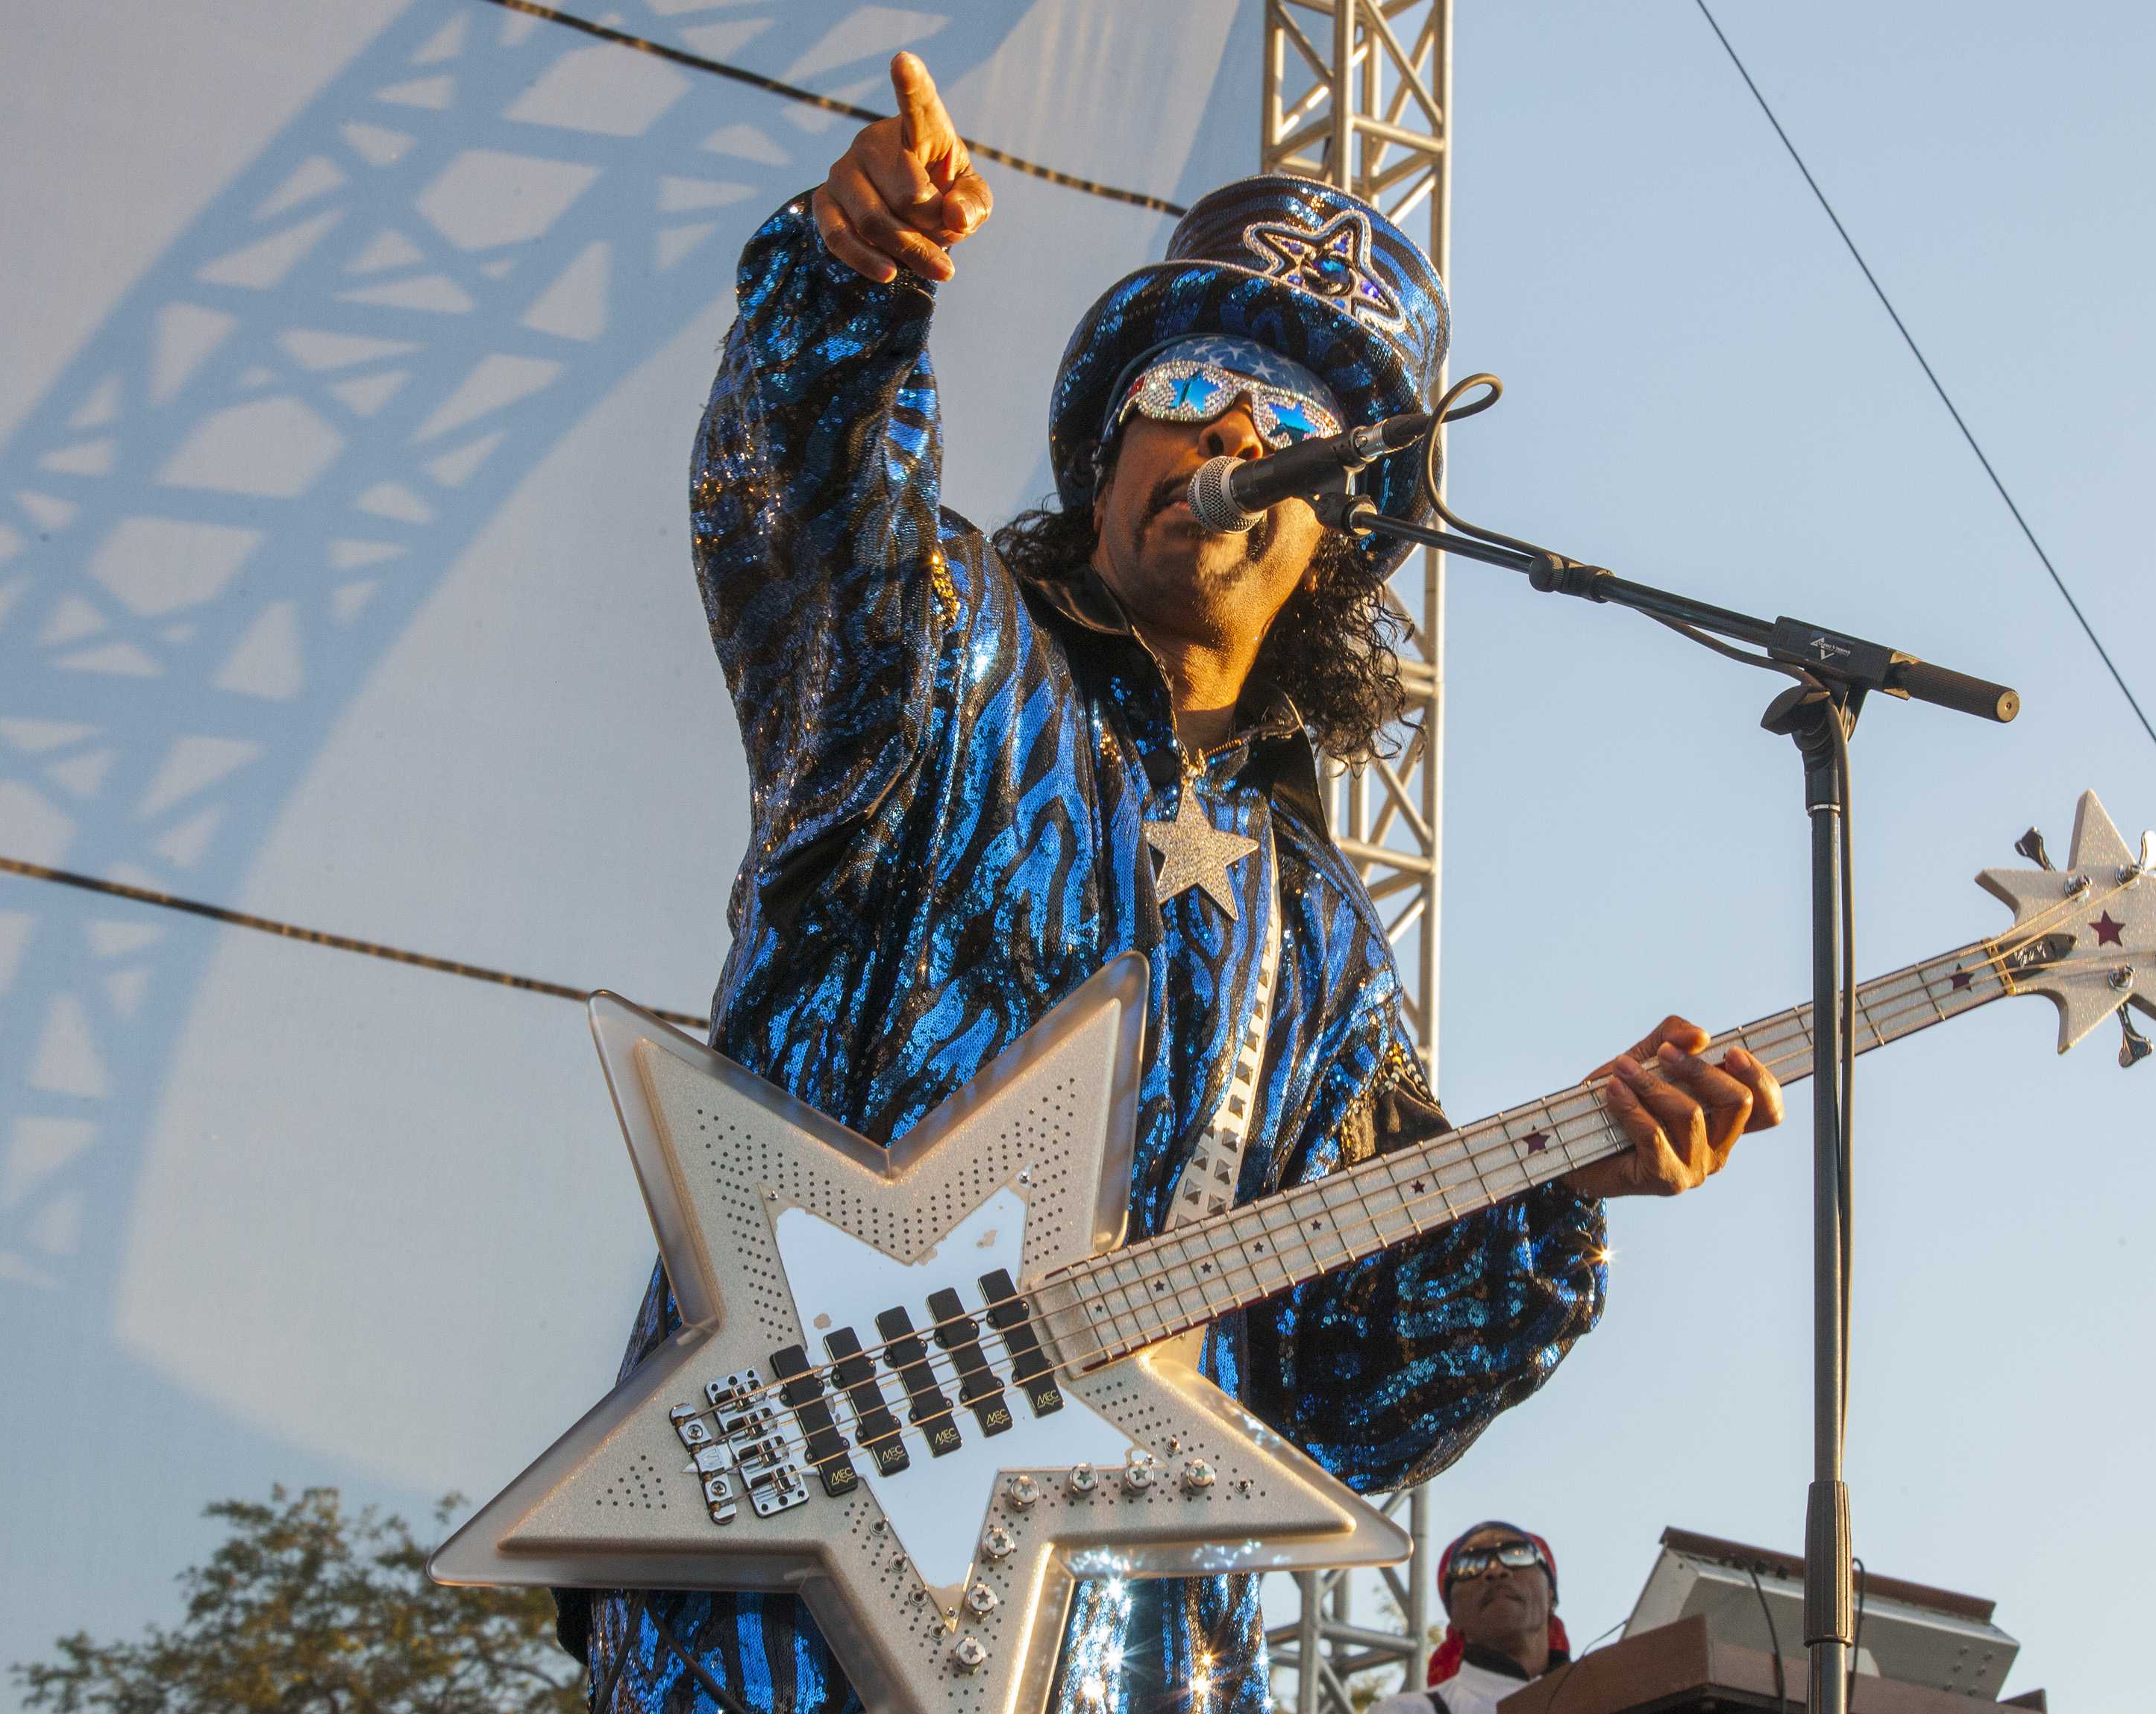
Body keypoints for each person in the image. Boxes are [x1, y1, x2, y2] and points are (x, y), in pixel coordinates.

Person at [562, 51, 1783, 1714]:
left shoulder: (1328, 934)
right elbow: (804, 521)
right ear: (1108, 436)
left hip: (1125, 1642)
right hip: (785, 1577)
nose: (1225, 424)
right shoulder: (944, 665)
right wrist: (846, 293)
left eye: (1288, 417)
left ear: (1339, 519)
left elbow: (1331, 1381)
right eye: (1190, 377)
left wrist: (1563, 1196)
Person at [1368, 1523, 1573, 1714]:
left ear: (1551, 1593)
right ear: (1453, 1615)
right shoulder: (1409, 1710)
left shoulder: (1600, 1689)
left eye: (1518, 1553)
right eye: (1470, 1565)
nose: (1495, 1570)